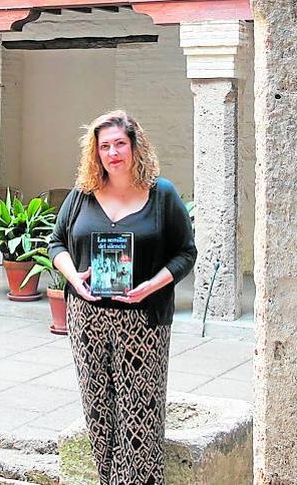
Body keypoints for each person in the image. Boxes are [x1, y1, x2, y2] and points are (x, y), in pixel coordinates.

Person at [48, 109, 197, 485]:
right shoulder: (82, 195)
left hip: (142, 323)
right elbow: (56, 243)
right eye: (105, 146)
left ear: (134, 146)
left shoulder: (161, 194)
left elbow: (185, 252)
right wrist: (75, 279)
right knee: (99, 415)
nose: (113, 153)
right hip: (88, 320)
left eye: (119, 144)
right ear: (95, 152)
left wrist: (152, 285)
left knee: (139, 418)